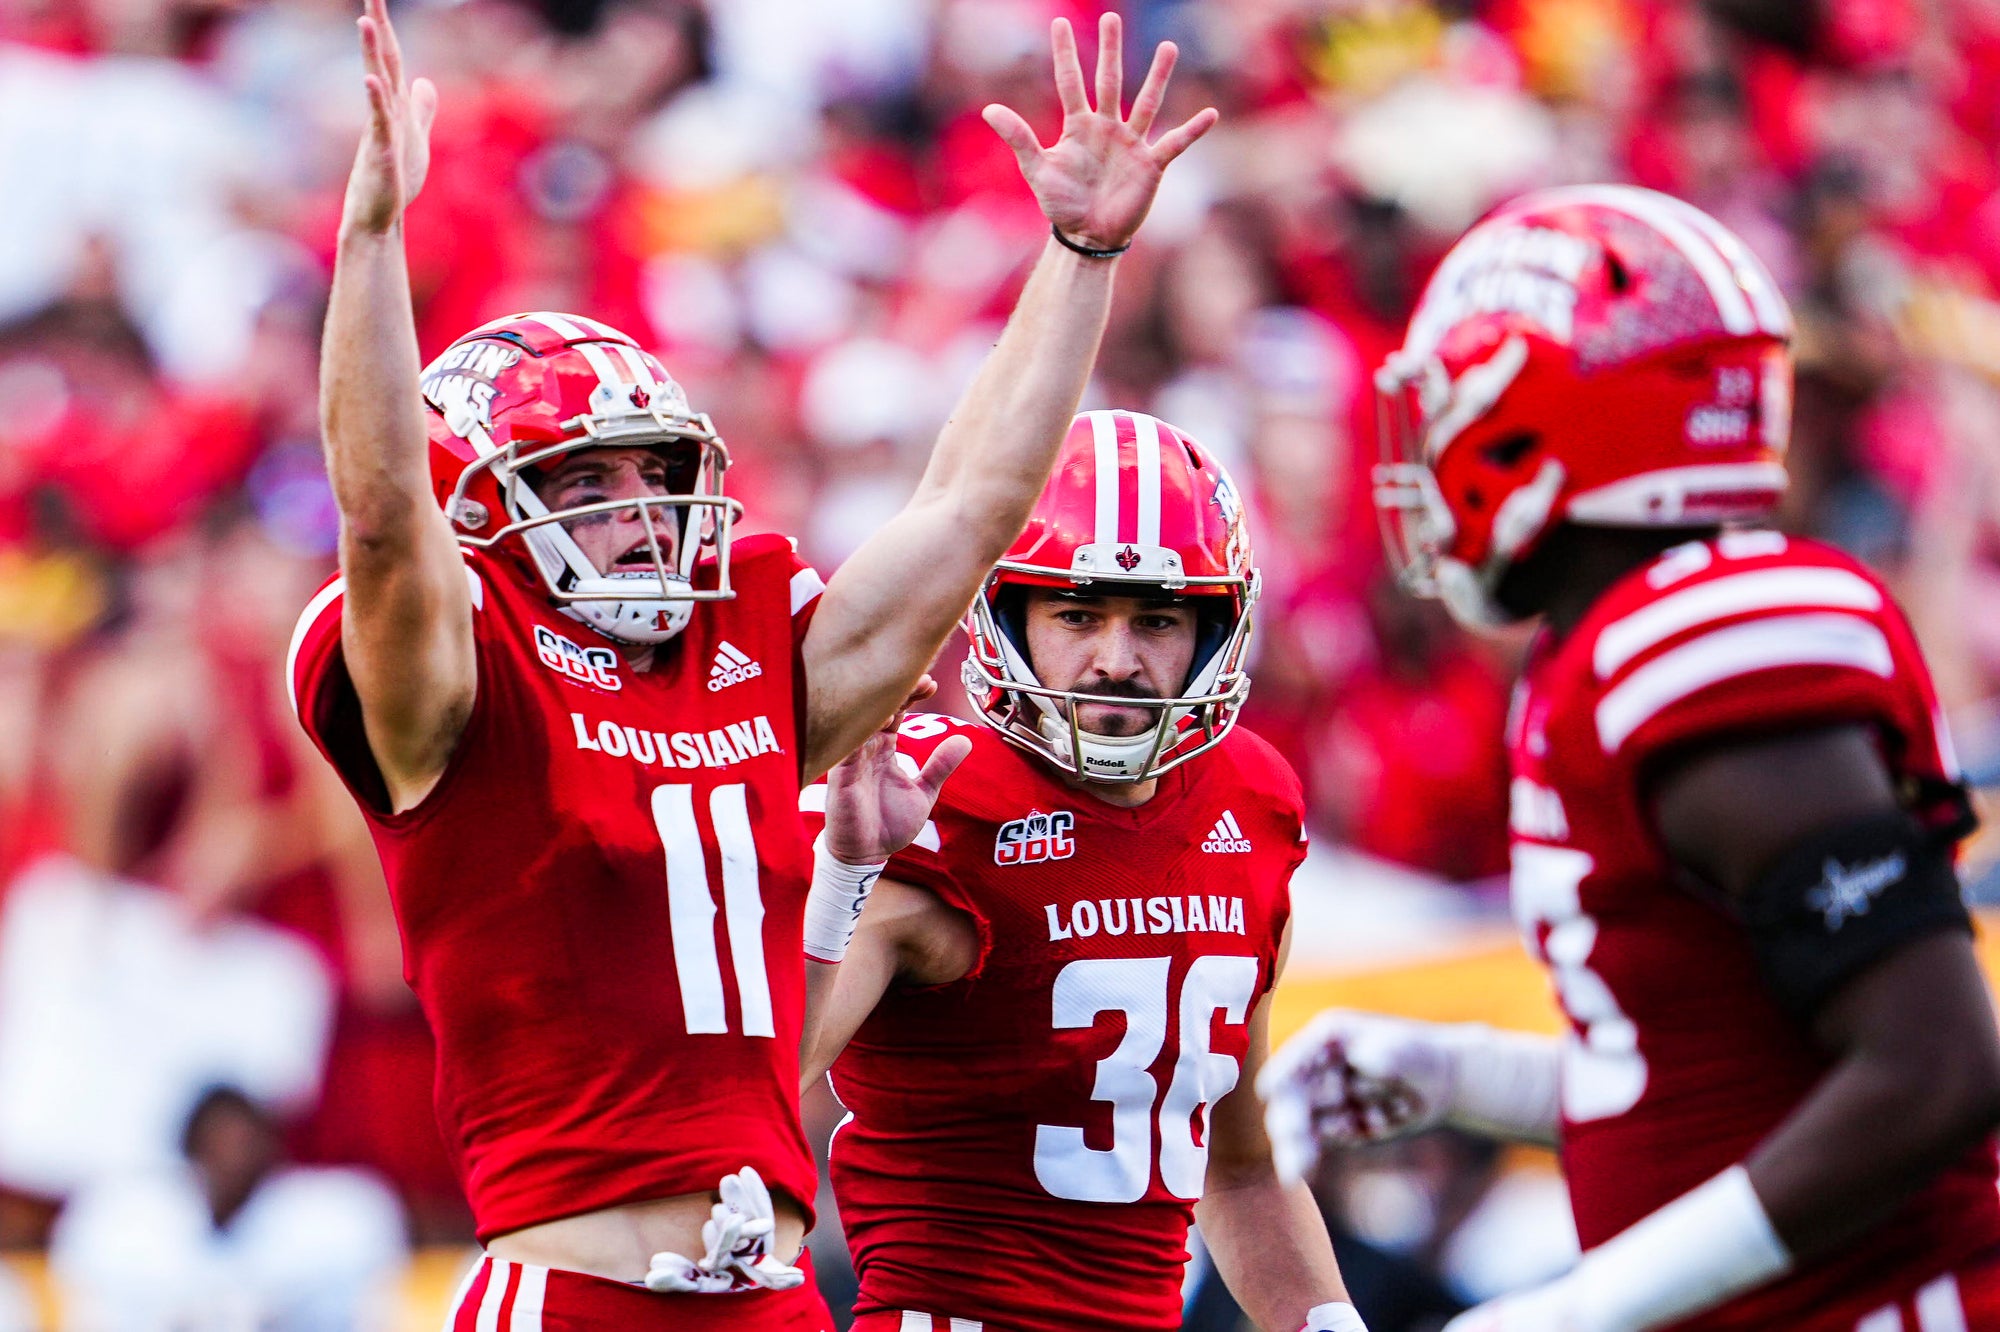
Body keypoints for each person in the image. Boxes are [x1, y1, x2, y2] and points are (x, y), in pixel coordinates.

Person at [287, 2, 1217, 1326]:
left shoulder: (746, 651)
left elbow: (971, 508)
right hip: (576, 1289)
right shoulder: (460, 683)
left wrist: (1077, 253)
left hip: (773, 1287)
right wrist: (375, 239)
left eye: (657, 472)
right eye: (585, 478)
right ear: (480, 507)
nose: (636, 507)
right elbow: (382, 517)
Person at [1258, 185, 2000, 1331]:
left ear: (1539, 424)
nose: (1425, 456)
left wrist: (1576, 1310)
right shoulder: (1607, 647)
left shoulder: (1694, 643)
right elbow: (1734, 1091)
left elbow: (1932, 1070)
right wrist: (1467, 1077)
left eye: (1455, 409)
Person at [797, 410, 1368, 1332]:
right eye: (1076, 614)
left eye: (1156, 619)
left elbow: (1241, 1166)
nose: (1116, 660)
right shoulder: (931, 799)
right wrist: (842, 873)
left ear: (1216, 628)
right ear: (1006, 618)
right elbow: (751, 1084)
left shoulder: (1252, 800)